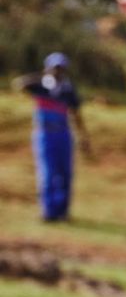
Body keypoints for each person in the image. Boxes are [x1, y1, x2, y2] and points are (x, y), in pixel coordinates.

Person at [23, 52, 91, 222]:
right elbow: (19, 84)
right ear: (48, 68)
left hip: (63, 134)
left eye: (61, 68)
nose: (58, 72)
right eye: (55, 68)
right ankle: (49, 212)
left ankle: (63, 212)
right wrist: (43, 76)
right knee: (47, 173)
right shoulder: (40, 86)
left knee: (65, 174)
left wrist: (83, 137)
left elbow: (76, 114)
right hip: (44, 134)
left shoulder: (68, 89)